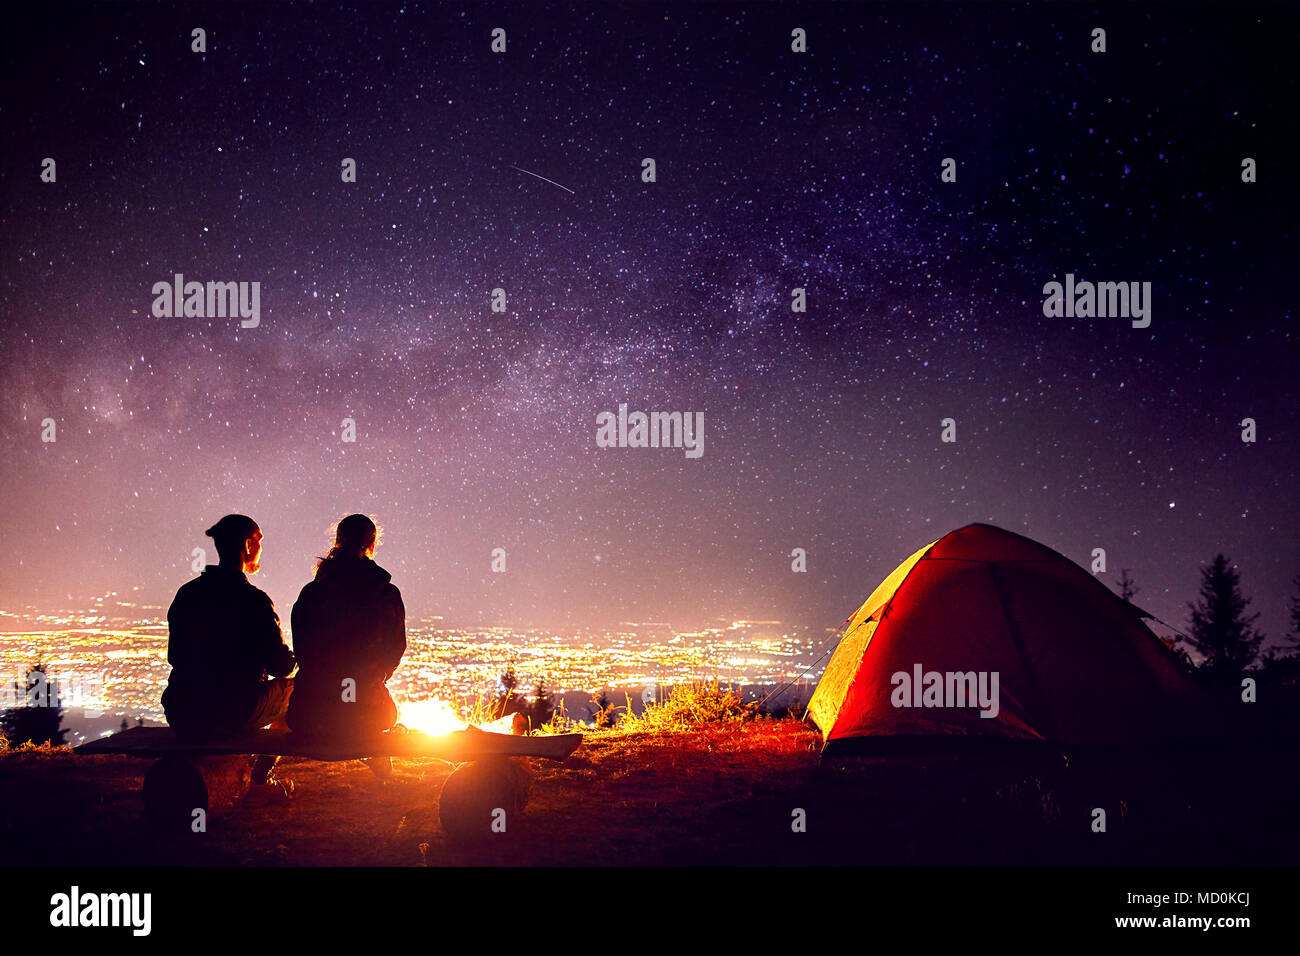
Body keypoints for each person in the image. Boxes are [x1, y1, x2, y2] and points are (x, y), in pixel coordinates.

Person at [161, 514, 296, 801]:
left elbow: (175, 655)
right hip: (232, 711)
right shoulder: (254, 600)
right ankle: (261, 777)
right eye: (259, 542)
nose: (260, 550)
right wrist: (298, 661)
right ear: (248, 545)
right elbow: (281, 666)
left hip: (182, 711)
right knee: (295, 690)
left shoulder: (187, 594)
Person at [287, 514, 406, 757]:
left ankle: (265, 766)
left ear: (337, 542)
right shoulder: (387, 594)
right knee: (390, 717)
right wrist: (375, 678)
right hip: (370, 715)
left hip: (311, 715)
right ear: (372, 546)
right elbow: (396, 649)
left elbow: (303, 651)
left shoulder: (312, 593)